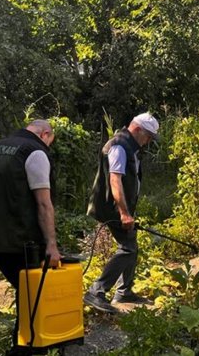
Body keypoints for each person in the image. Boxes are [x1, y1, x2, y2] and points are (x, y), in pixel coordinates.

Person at [0, 119, 61, 351]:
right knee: (32, 293)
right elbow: (44, 204)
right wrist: (52, 246)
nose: (48, 146)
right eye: (50, 141)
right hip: (19, 239)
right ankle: (25, 347)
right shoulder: (35, 153)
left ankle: (29, 343)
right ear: (45, 134)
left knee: (25, 290)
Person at [84, 112, 159, 313]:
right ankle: (96, 291)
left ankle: (124, 291)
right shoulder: (119, 146)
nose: (149, 141)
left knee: (131, 243)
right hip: (111, 208)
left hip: (118, 206)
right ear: (137, 130)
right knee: (127, 248)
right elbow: (115, 180)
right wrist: (124, 214)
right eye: (149, 136)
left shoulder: (129, 145)